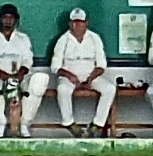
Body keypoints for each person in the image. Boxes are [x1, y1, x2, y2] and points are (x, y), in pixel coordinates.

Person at [0, 4, 47, 137]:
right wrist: (4, 75)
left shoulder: (23, 38)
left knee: (40, 80)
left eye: (11, 17)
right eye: (5, 17)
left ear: (16, 20)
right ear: (0, 19)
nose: (8, 20)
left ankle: (25, 125)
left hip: (20, 76)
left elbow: (28, 60)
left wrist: (20, 74)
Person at [49, 8, 115, 138]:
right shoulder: (63, 40)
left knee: (110, 89)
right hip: (69, 77)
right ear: (69, 24)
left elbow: (102, 65)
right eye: (74, 22)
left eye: (80, 22)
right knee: (63, 89)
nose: (77, 25)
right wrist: (70, 76)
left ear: (86, 23)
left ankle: (97, 124)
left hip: (91, 76)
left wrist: (91, 79)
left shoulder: (94, 38)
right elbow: (55, 67)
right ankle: (69, 123)